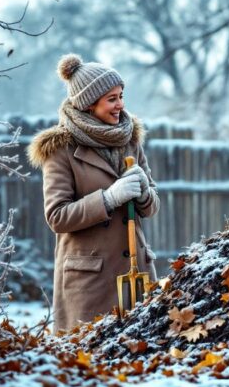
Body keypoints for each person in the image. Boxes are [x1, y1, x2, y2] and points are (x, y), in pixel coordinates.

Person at [27, 54, 159, 333]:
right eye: (112, 99)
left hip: (137, 275)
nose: (120, 105)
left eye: (121, 96)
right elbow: (57, 216)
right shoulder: (60, 150)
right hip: (90, 283)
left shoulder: (129, 140)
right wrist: (108, 198)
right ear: (89, 104)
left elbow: (151, 207)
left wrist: (145, 192)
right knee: (88, 364)